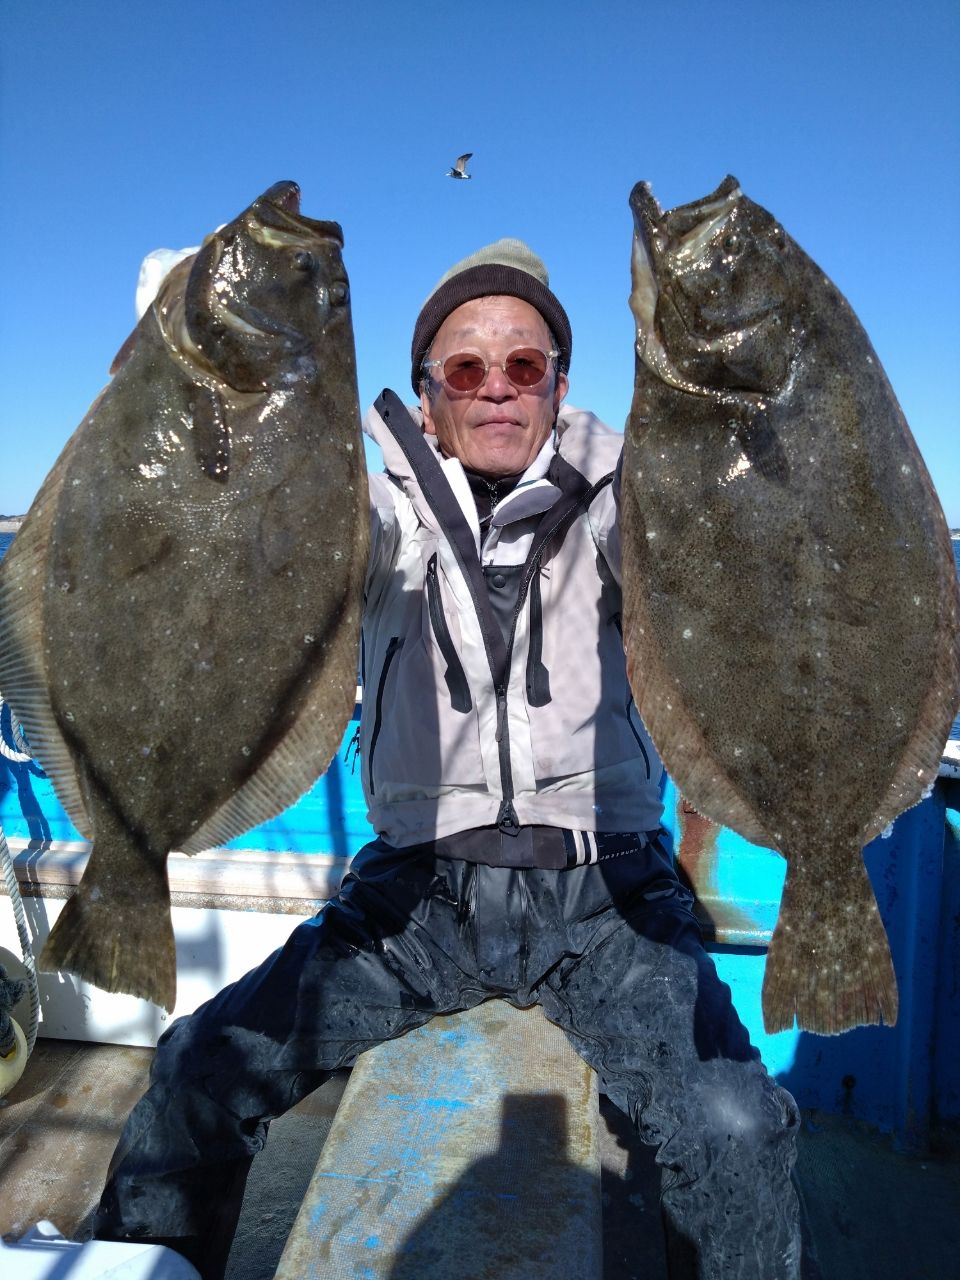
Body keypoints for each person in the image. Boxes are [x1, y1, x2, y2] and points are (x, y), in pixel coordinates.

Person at [94, 239, 802, 1279]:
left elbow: (738, 544)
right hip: (415, 894)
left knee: (738, 1127)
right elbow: (263, 511)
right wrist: (188, 322)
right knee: (196, 1074)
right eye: (465, 369)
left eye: (526, 365)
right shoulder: (373, 503)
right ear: (427, 397)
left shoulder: (630, 495)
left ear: (560, 384)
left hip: (609, 890)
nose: (498, 389)